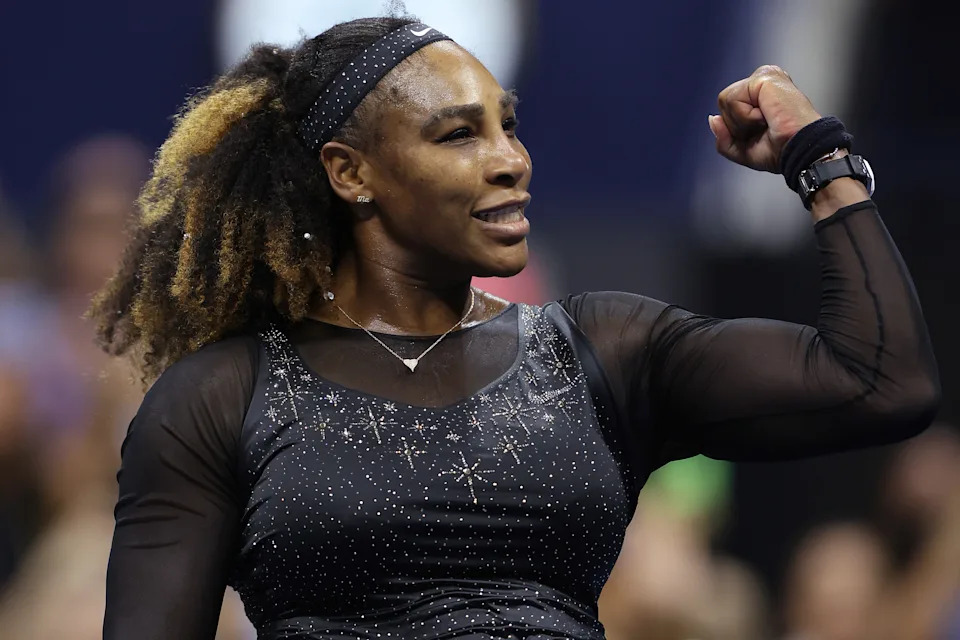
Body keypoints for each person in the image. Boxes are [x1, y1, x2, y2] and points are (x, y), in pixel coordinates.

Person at [93, 16, 939, 640]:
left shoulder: (601, 350)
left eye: (509, 125)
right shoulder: (218, 397)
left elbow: (881, 381)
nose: (511, 160)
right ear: (351, 173)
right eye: (460, 134)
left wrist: (821, 161)